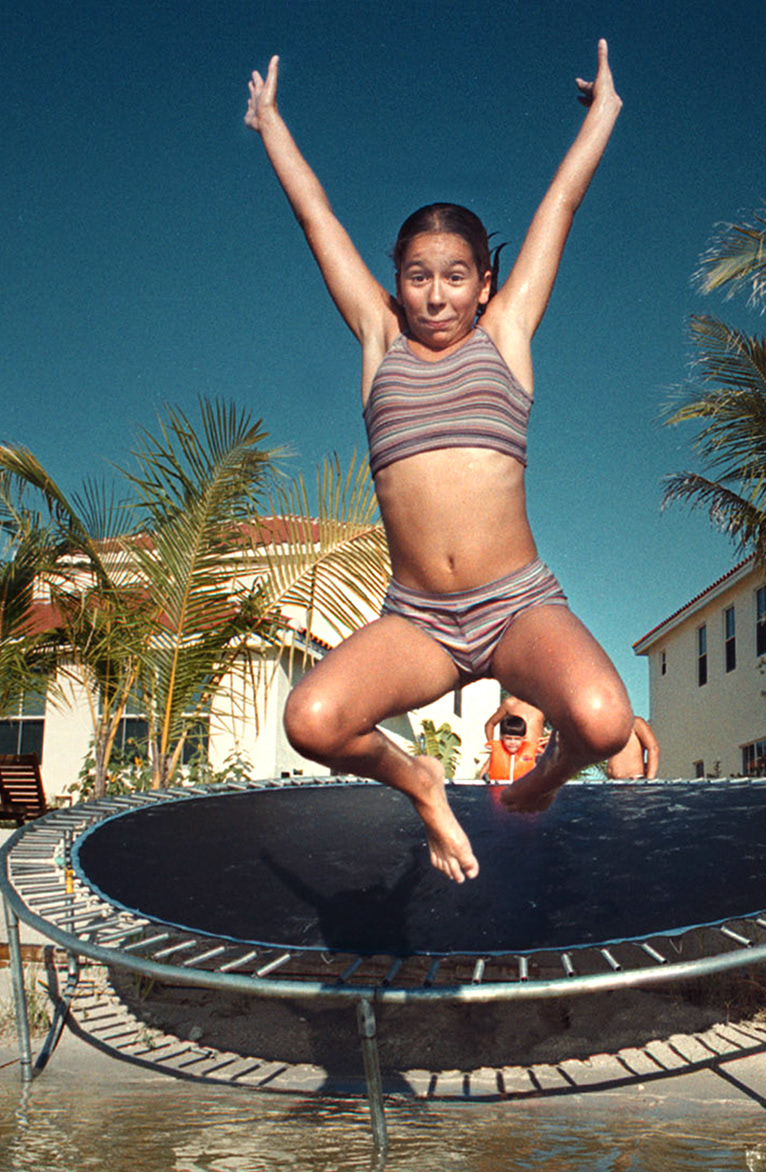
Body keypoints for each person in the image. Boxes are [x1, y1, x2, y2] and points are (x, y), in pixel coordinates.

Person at [249, 42, 633, 881]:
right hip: (418, 617)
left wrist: (602, 112)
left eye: (455, 276)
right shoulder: (379, 340)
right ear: (395, 281)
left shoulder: (507, 336)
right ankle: (418, 779)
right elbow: (318, 217)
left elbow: (559, 206)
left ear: (485, 283)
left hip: (517, 604)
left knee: (604, 725)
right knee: (312, 719)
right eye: (418, 276)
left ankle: (546, 776)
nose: (435, 294)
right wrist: (271, 124)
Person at [484, 715, 543, 784]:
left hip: (524, 790)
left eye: (517, 739)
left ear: (524, 738)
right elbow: (484, 772)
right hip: (499, 790)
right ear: (502, 737)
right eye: (508, 738)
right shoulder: (496, 750)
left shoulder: (534, 752)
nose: (512, 742)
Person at [484, 695, 548, 755]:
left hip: (536, 753)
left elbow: (557, 725)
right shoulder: (510, 703)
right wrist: (492, 744)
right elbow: (490, 724)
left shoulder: (543, 704)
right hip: (513, 754)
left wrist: (550, 738)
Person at [605, 715, 659, 780]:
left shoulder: (636, 723)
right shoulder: (612, 727)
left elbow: (653, 748)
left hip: (633, 781)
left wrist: (649, 779)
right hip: (613, 783)